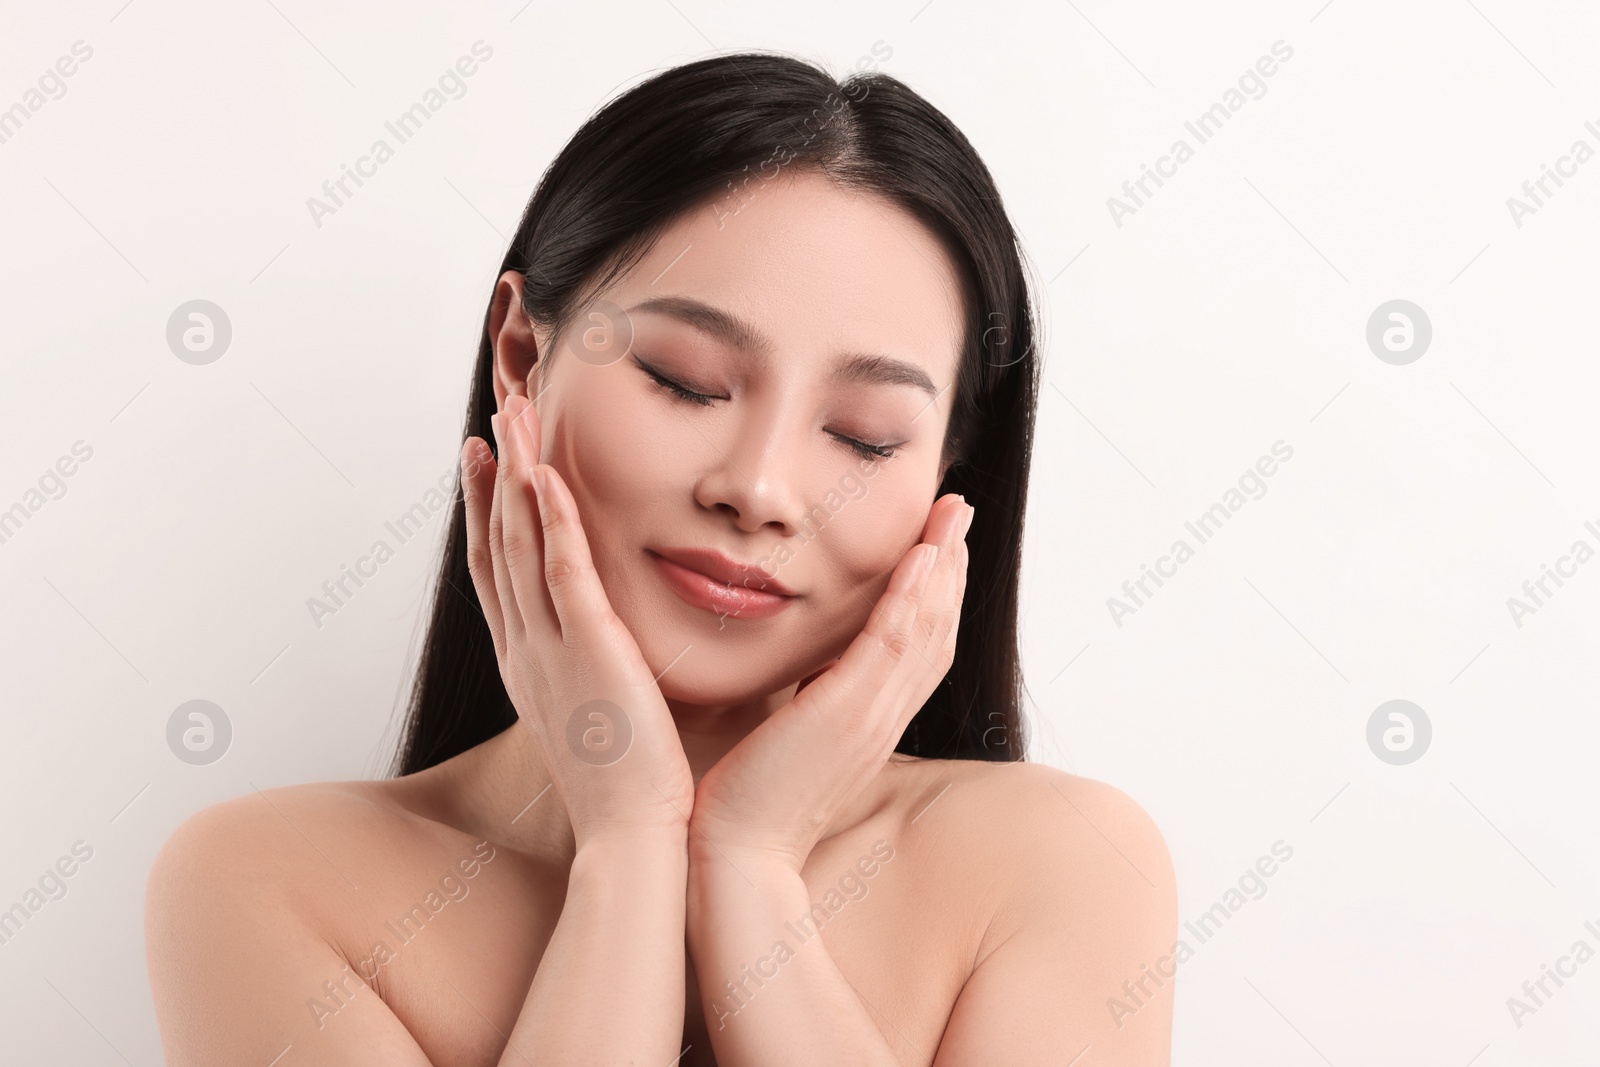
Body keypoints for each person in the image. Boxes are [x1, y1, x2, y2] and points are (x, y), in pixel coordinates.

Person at [144, 50, 1176, 1066]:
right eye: (682, 379)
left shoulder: (1058, 865)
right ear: (521, 356)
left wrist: (750, 864)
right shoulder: (268, 882)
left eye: (863, 435)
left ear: (947, 486)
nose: (760, 488)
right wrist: (628, 845)